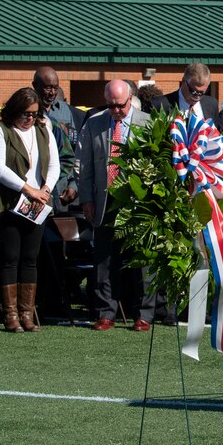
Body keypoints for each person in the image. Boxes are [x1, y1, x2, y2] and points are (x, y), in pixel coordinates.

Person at [0, 87, 60, 332]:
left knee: (30, 259)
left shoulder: (43, 129)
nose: (29, 118)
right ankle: (11, 315)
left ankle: (27, 314)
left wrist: (45, 189)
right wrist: (28, 189)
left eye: (34, 114)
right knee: (10, 258)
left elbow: (54, 165)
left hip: (38, 203)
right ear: (14, 110)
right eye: (25, 113)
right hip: (8, 204)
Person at [78, 80, 151, 331]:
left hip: (137, 202)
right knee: (104, 260)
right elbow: (85, 166)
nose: (115, 111)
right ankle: (105, 312)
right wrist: (86, 198)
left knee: (142, 260)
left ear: (130, 99)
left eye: (119, 105)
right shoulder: (94, 123)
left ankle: (143, 314)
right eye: (110, 106)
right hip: (105, 199)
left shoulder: (148, 123)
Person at [32, 66, 78, 211]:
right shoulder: (28, 110)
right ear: (35, 86)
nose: (52, 93)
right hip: (35, 184)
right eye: (47, 88)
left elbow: (74, 150)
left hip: (60, 186)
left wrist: (74, 185)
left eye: (55, 88)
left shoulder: (65, 110)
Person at [153, 62, 220, 119]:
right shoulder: (159, 105)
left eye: (202, 92)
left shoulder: (212, 104)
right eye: (193, 91)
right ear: (183, 81)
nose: (197, 97)